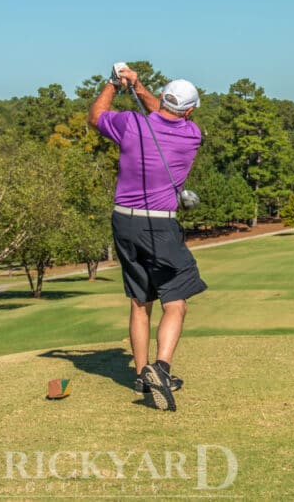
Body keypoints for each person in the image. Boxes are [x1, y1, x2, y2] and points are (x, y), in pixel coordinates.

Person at [88, 65, 205, 412]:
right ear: (191, 111)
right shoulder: (191, 134)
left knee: (140, 302)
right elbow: (164, 112)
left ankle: (142, 376)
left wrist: (115, 83)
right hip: (160, 226)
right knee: (176, 301)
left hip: (123, 221)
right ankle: (162, 369)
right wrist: (139, 87)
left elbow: (97, 116)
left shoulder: (131, 124)